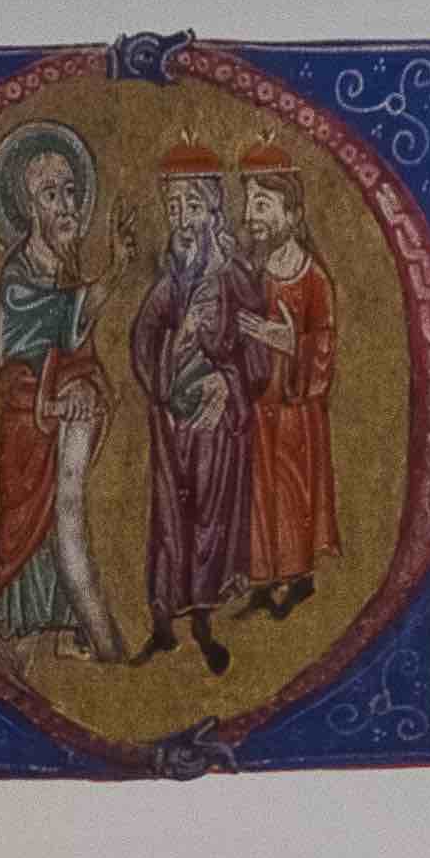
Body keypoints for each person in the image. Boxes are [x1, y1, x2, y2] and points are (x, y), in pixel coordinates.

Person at [0, 122, 128, 674]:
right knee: (28, 531)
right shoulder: (17, 276)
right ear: (30, 207)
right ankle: (20, 633)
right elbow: (22, 361)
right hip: (29, 426)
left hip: (60, 421)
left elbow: (77, 348)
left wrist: (84, 384)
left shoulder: (64, 267)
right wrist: (55, 397)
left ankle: (66, 628)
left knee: (63, 522)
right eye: (51, 194)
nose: (66, 205)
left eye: (70, 191)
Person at [121, 138, 261, 678]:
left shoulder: (233, 278)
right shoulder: (171, 281)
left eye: (192, 206)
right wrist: (161, 384)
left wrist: (227, 383)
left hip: (215, 423)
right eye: (174, 207)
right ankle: (163, 624)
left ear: (213, 211)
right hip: (173, 418)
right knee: (169, 518)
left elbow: (255, 349)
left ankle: (203, 623)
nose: (182, 219)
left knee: (207, 517)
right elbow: (142, 336)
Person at [230, 140, 339, 620]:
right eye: (248, 203)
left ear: (291, 215)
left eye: (261, 204)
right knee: (260, 493)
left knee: (292, 492)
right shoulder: (253, 273)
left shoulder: (313, 278)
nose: (248, 216)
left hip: (296, 410)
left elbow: (326, 344)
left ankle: (297, 580)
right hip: (259, 406)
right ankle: (263, 580)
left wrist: (292, 343)